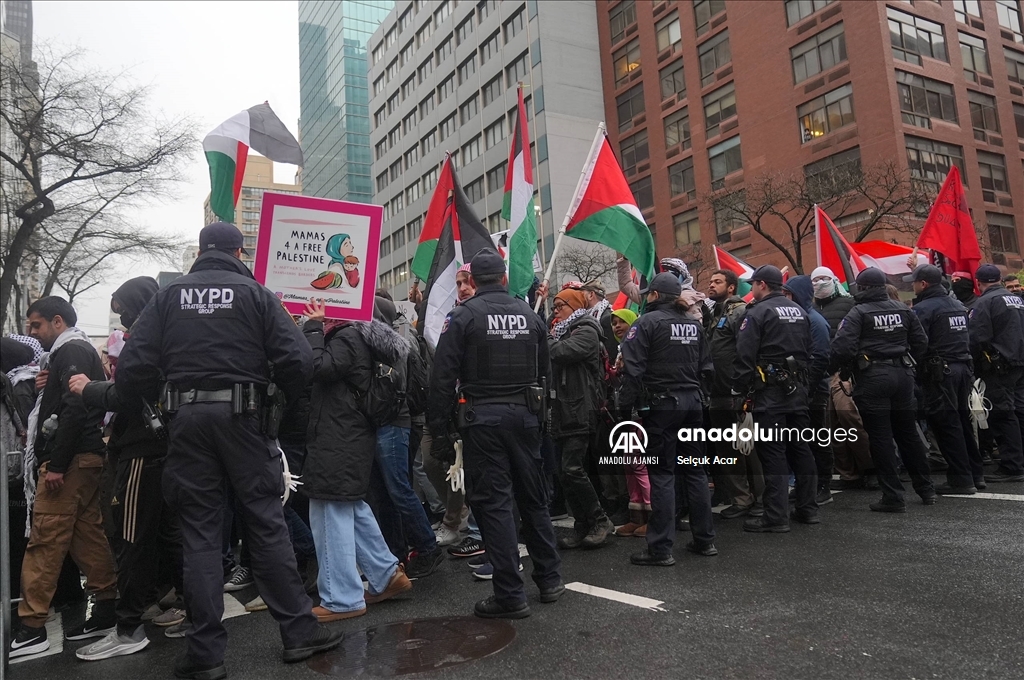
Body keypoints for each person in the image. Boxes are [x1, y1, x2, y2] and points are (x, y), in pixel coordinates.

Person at [115, 223, 340, 679]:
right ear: (240, 251)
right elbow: (297, 361)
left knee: (199, 532)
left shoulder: (168, 296)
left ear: (200, 250)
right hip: (244, 420)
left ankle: (204, 654)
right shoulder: (256, 294)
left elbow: (132, 369)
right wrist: (276, 402)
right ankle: (298, 632)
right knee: (265, 521)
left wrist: (164, 401)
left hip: (186, 422)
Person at [428, 248, 563, 619]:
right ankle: (550, 579)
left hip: (483, 420)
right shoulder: (530, 316)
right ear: (504, 277)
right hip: (527, 417)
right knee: (533, 499)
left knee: (496, 505)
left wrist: (439, 432)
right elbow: (546, 375)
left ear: (473, 281)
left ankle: (509, 594)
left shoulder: (463, 316)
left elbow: (441, 378)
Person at [68, 277, 186, 661]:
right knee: (170, 534)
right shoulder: (174, 336)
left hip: (141, 449)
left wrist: (88, 388)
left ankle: (129, 627)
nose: (122, 321)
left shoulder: (148, 340)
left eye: (124, 310)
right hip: (167, 447)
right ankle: (191, 608)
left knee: (132, 536)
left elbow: (127, 393)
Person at [10, 296, 118, 659]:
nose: (31, 332)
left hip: (68, 462)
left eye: (36, 325)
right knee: (86, 535)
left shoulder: (70, 350)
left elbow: (75, 407)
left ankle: (32, 627)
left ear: (57, 321)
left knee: (45, 540)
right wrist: (48, 387)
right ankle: (106, 608)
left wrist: (56, 463)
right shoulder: (73, 350)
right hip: (83, 459)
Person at [300, 298, 413, 623]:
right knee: (348, 506)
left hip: (339, 437)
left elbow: (317, 366)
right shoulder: (352, 336)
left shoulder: (346, 336)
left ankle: (341, 598)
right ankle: (386, 573)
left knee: (328, 509)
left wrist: (311, 328)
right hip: (345, 436)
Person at [618, 272, 717, 565]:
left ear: (656, 296)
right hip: (693, 404)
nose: (646, 296)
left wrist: (625, 408)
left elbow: (632, 371)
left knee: (662, 475)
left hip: (662, 407)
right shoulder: (693, 325)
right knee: (695, 471)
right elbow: (707, 368)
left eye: (649, 293)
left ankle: (660, 548)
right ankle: (705, 540)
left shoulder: (646, 323)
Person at [829, 268, 936, 512]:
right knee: (908, 433)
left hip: (873, 377)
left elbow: (842, 348)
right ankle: (926, 489)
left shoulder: (858, 312)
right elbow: (921, 343)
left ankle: (893, 497)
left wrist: (838, 370)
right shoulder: (903, 310)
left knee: (881, 438)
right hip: (903, 375)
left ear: (864, 288)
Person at [734, 266, 820, 532]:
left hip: (770, 392)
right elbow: (809, 349)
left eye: (753, 285)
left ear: (762, 284)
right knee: (802, 450)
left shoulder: (757, 312)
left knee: (773, 455)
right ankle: (807, 509)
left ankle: (775, 516)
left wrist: (740, 389)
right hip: (797, 389)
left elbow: (745, 355)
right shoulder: (801, 311)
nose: (751, 289)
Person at [364, 293, 444, 578]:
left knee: (399, 488)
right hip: (387, 420)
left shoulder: (399, 335)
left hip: (396, 420)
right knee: (384, 492)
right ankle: (396, 552)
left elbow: (394, 377)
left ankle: (427, 547)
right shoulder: (395, 330)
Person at [905, 264, 982, 494]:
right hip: (961, 369)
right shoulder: (957, 305)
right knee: (964, 422)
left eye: (915, 282)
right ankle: (975, 475)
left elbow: (919, 342)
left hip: (940, 372)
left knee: (947, 425)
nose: (913, 285)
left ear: (924, 284)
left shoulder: (924, 309)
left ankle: (961, 480)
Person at [548, 287, 614, 549]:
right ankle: (582, 524)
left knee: (572, 469)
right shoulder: (562, 332)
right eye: (553, 306)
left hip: (580, 408)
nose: (555, 311)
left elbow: (562, 353)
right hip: (564, 409)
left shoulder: (586, 329)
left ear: (575, 306)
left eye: (560, 305)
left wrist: (543, 337)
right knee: (566, 473)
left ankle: (600, 520)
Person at [705, 269, 763, 519]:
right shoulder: (713, 313)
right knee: (725, 450)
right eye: (710, 281)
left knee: (747, 449)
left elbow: (747, 350)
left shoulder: (740, 312)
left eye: (717, 282)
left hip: (736, 391)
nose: (711, 285)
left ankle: (761, 498)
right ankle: (741, 499)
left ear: (731, 287)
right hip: (716, 392)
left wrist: (743, 388)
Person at [811, 266, 873, 490]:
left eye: (824, 278)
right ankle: (848, 473)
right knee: (832, 426)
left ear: (834, 279)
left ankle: (870, 467)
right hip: (821, 372)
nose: (820, 283)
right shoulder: (811, 307)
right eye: (815, 279)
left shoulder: (849, 304)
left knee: (851, 420)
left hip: (843, 371)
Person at [968, 264, 1024, 483]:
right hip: (1019, 362)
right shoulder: (1018, 300)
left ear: (979, 282)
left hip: (1000, 366)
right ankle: (1018, 459)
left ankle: (1012, 465)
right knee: (1019, 410)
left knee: (1002, 413)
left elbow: (977, 337)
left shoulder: (984, 302)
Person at [783, 275, 834, 506]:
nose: (786, 298)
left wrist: (808, 388)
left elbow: (821, 358)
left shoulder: (815, 321)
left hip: (814, 391)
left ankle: (824, 486)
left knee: (817, 438)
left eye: (789, 293)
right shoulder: (801, 318)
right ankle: (807, 487)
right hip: (802, 390)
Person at [608, 309, 650, 537]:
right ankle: (636, 515)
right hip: (623, 415)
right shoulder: (620, 349)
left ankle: (652, 516)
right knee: (629, 466)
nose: (616, 326)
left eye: (621, 322)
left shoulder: (637, 347)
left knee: (640, 466)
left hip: (636, 414)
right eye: (613, 323)